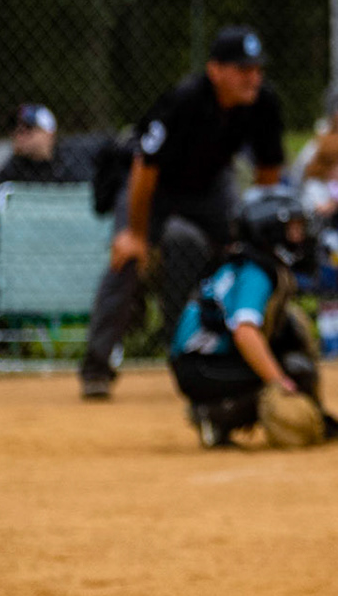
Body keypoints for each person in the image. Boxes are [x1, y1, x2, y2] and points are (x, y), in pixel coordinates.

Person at [79, 27, 286, 400]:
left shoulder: (263, 102)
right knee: (126, 259)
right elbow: (145, 167)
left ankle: (240, 355)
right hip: (154, 187)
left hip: (210, 185)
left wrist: (261, 226)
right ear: (215, 70)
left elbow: (268, 172)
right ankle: (96, 366)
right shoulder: (184, 101)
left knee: (251, 256)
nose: (253, 78)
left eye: (257, 70)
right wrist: (137, 235)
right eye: (242, 69)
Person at [168, 187, 338, 449]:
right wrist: (279, 381)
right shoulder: (255, 272)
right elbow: (245, 332)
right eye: (293, 228)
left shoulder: (254, 262)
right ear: (270, 232)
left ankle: (315, 413)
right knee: (294, 370)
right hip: (201, 366)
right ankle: (215, 416)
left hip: (208, 359)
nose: (300, 236)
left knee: (292, 329)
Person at [0, 104, 76, 185]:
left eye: (28, 127)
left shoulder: (71, 165)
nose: (18, 133)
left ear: (48, 133)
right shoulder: (11, 171)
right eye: (14, 127)